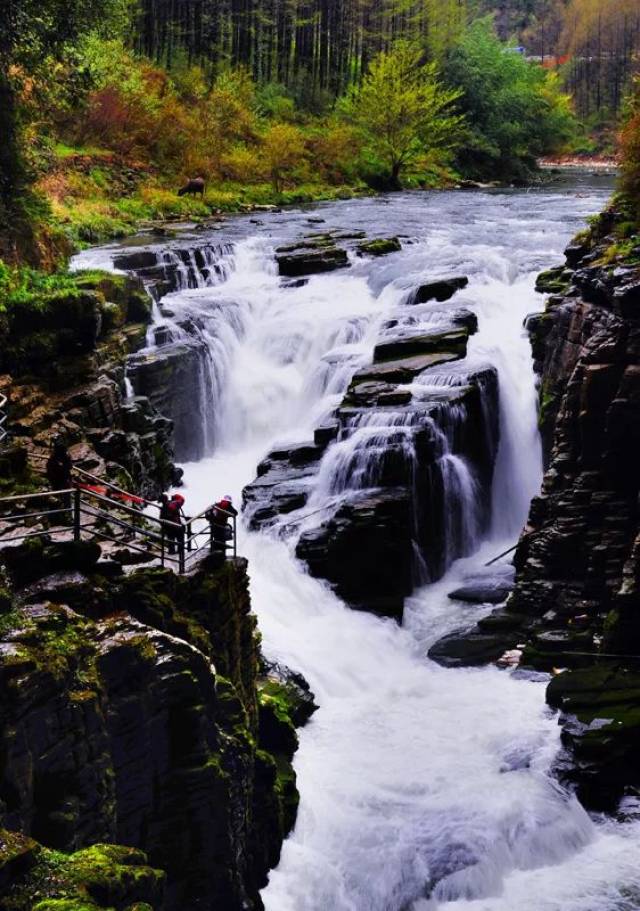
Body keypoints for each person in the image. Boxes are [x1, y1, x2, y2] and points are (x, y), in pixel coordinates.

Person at [206, 494, 238, 560]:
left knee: (214, 539)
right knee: (222, 541)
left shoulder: (217, 505)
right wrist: (228, 514)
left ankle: (213, 553)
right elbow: (235, 513)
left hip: (214, 525)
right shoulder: (228, 506)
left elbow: (209, 513)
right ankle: (222, 556)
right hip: (221, 525)